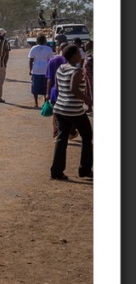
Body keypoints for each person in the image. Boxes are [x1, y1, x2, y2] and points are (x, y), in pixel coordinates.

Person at [49, 45, 93, 180]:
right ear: (74, 56)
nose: (81, 55)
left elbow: (57, 86)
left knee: (62, 139)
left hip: (60, 108)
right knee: (87, 136)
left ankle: (56, 172)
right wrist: (89, 101)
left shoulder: (61, 68)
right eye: (79, 53)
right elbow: (74, 89)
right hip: (74, 110)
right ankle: (85, 170)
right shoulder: (77, 71)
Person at [45, 41, 68, 139]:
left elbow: (49, 79)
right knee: (67, 114)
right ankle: (68, 133)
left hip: (54, 92)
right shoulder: (70, 61)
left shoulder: (52, 61)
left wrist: (47, 93)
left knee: (56, 114)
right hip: (67, 92)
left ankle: (56, 134)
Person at [28, 34, 54, 108]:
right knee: (46, 87)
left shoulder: (33, 48)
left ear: (37, 41)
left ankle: (36, 103)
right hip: (46, 70)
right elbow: (50, 60)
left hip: (36, 70)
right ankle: (45, 103)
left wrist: (30, 70)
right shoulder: (49, 49)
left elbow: (30, 60)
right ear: (45, 40)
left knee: (35, 87)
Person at [83, 40, 93, 115]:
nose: (85, 46)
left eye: (87, 45)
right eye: (85, 45)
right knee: (87, 92)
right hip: (87, 77)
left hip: (92, 77)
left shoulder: (93, 54)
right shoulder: (87, 54)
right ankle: (89, 107)